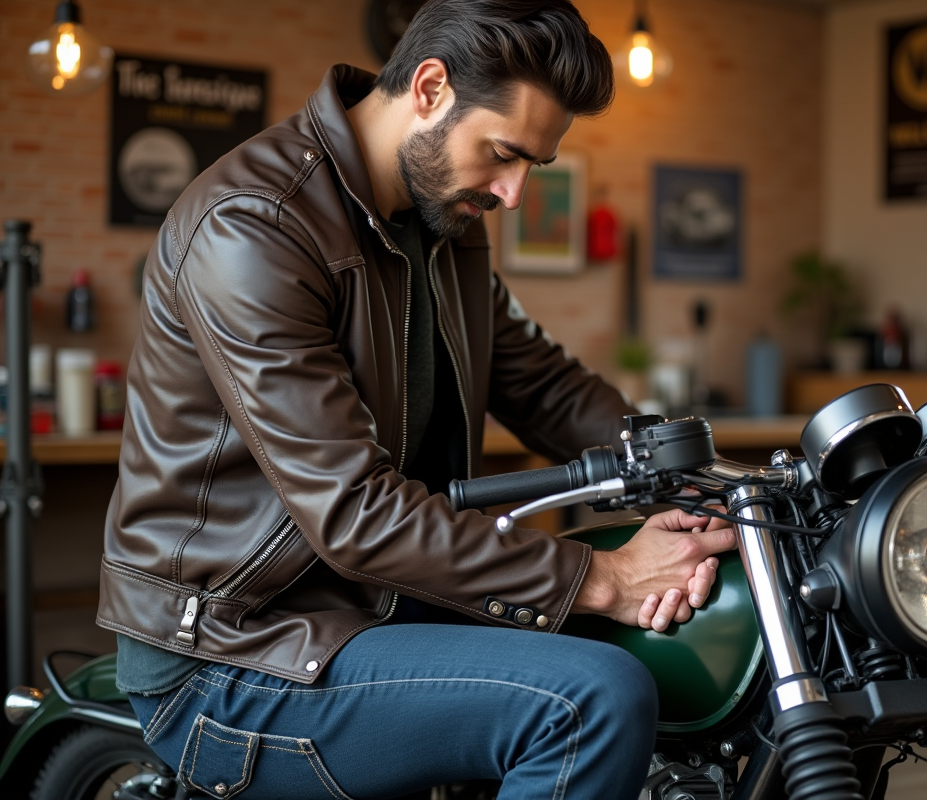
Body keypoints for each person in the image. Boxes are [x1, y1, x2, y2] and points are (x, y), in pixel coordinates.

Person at [97, 1, 736, 797]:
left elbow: (542, 384)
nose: (511, 194)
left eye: (530, 166)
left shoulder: (440, 222)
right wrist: (603, 577)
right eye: (503, 154)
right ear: (430, 89)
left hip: (380, 608)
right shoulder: (256, 223)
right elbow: (353, 511)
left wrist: (718, 484)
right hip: (236, 648)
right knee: (590, 698)